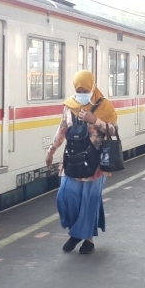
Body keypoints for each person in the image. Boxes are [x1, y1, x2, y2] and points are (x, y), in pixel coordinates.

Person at [45, 70, 118, 255]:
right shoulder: (70, 106)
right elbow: (62, 129)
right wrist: (51, 150)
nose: (82, 93)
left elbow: (113, 131)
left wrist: (95, 120)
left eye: (85, 89)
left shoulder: (104, 105)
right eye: (79, 89)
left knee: (89, 201)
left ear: (93, 87)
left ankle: (87, 240)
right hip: (72, 160)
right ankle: (77, 231)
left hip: (96, 163)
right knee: (65, 196)